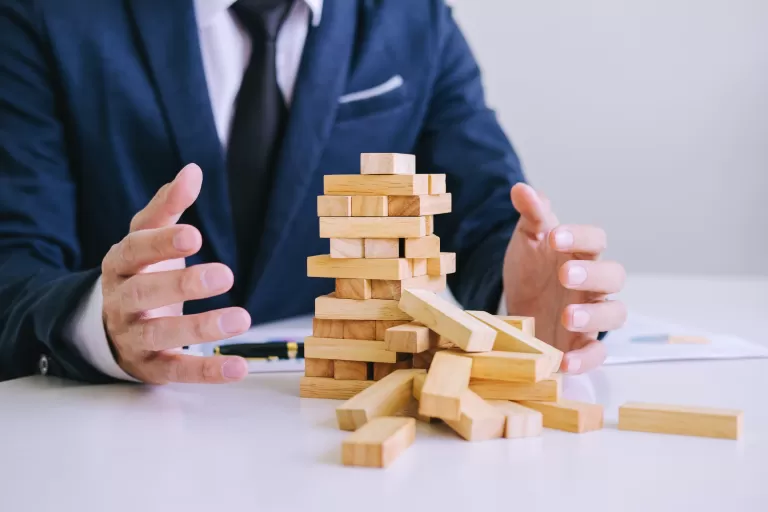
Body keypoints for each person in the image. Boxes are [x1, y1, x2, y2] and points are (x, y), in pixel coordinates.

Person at [0, 0, 626, 384]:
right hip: (111, 438)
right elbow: (12, 261)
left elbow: (490, 215)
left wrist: (517, 302)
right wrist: (98, 323)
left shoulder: (416, 18)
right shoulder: (43, 15)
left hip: (324, 427)